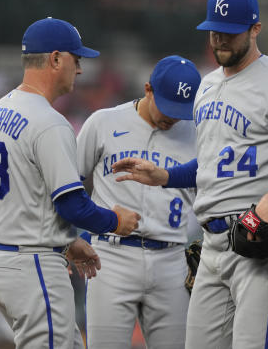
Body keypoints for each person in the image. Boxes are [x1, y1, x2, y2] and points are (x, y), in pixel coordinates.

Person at [112, 0, 268, 348]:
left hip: (256, 242)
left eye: (229, 31)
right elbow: (212, 163)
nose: (219, 38)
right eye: (213, 30)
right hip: (211, 245)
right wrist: (166, 176)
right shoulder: (205, 86)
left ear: (255, 29)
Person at [0, 17, 140, 349]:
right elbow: (72, 204)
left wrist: (66, 242)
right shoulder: (49, 122)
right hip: (30, 264)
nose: (80, 69)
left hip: (2, 259)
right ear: (54, 59)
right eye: (75, 59)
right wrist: (115, 221)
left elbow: (25, 198)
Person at [76, 55, 201, 348]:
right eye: (168, 105)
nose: (173, 117)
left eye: (182, 109)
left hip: (172, 258)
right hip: (111, 256)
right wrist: (75, 234)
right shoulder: (104, 122)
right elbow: (69, 183)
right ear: (148, 89)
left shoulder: (198, 133)